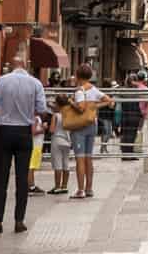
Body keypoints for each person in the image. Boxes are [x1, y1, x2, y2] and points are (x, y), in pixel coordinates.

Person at [0, 55, 47, 234]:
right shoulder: (35, 83)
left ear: (11, 67)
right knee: (22, 180)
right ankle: (19, 221)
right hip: (23, 133)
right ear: (26, 66)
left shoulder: (2, 81)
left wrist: (5, 109)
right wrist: (27, 111)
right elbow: (42, 110)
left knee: (1, 179)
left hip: (4, 131)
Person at [68, 67, 107, 199]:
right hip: (92, 124)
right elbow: (109, 101)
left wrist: (70, 102)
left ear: (77, 75)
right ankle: (89, 188)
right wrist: (95, 106)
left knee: (80, 159)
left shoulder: (80, 90)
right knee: (89, 158)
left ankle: (80, 190)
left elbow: (80, 108)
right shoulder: (94, 90)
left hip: (79, 126)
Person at [46, 94, 70, 195]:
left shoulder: (55, 116)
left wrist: (47, 127)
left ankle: (57, 186)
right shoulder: (69, 115)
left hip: (57, 139)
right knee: (66, 164)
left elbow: (52, 130)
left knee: (58, 164)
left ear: (58, 104)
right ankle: (64, 186)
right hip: (67, 141)